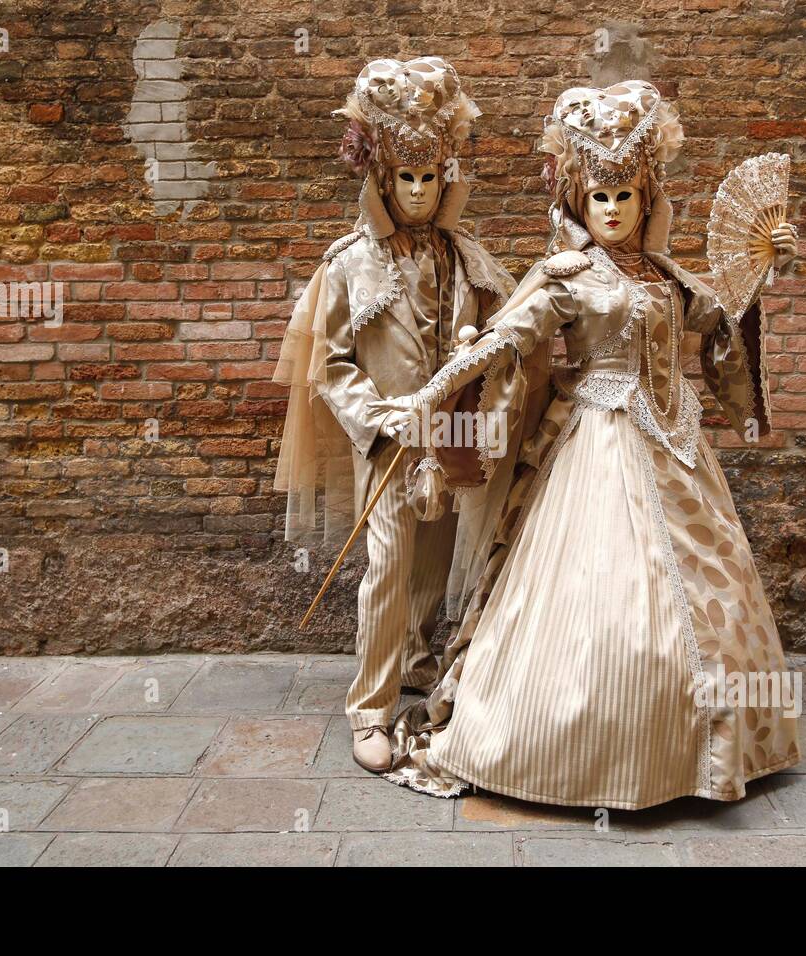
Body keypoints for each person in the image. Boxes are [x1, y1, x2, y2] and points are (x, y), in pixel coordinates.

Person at [369, 81, 801, 809]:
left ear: (644, 197)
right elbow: (508, 335)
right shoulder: (568, 276)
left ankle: (707, 745)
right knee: (597, 598)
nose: (611, 210)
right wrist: (435, 388)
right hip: (598, 446)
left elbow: (718, 319)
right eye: (598, 196)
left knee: (705, 592)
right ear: (578, 198)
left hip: (676, 446)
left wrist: (766, 268)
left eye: (624, 196)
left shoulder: (663, 274)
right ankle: (581, 743)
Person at [272, 58, 515, 772]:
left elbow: (507, 334)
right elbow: (331, 364)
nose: (416, 192)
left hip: (454, 434)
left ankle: (416, 658)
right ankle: (369, 709)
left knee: (437, 553)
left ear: (446, 177)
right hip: (385, 436)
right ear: (382, 178)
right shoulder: (350, 264)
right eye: (403, 178)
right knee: (387, 561)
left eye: (428, 177)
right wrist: (383, 419)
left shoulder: (468, 257)